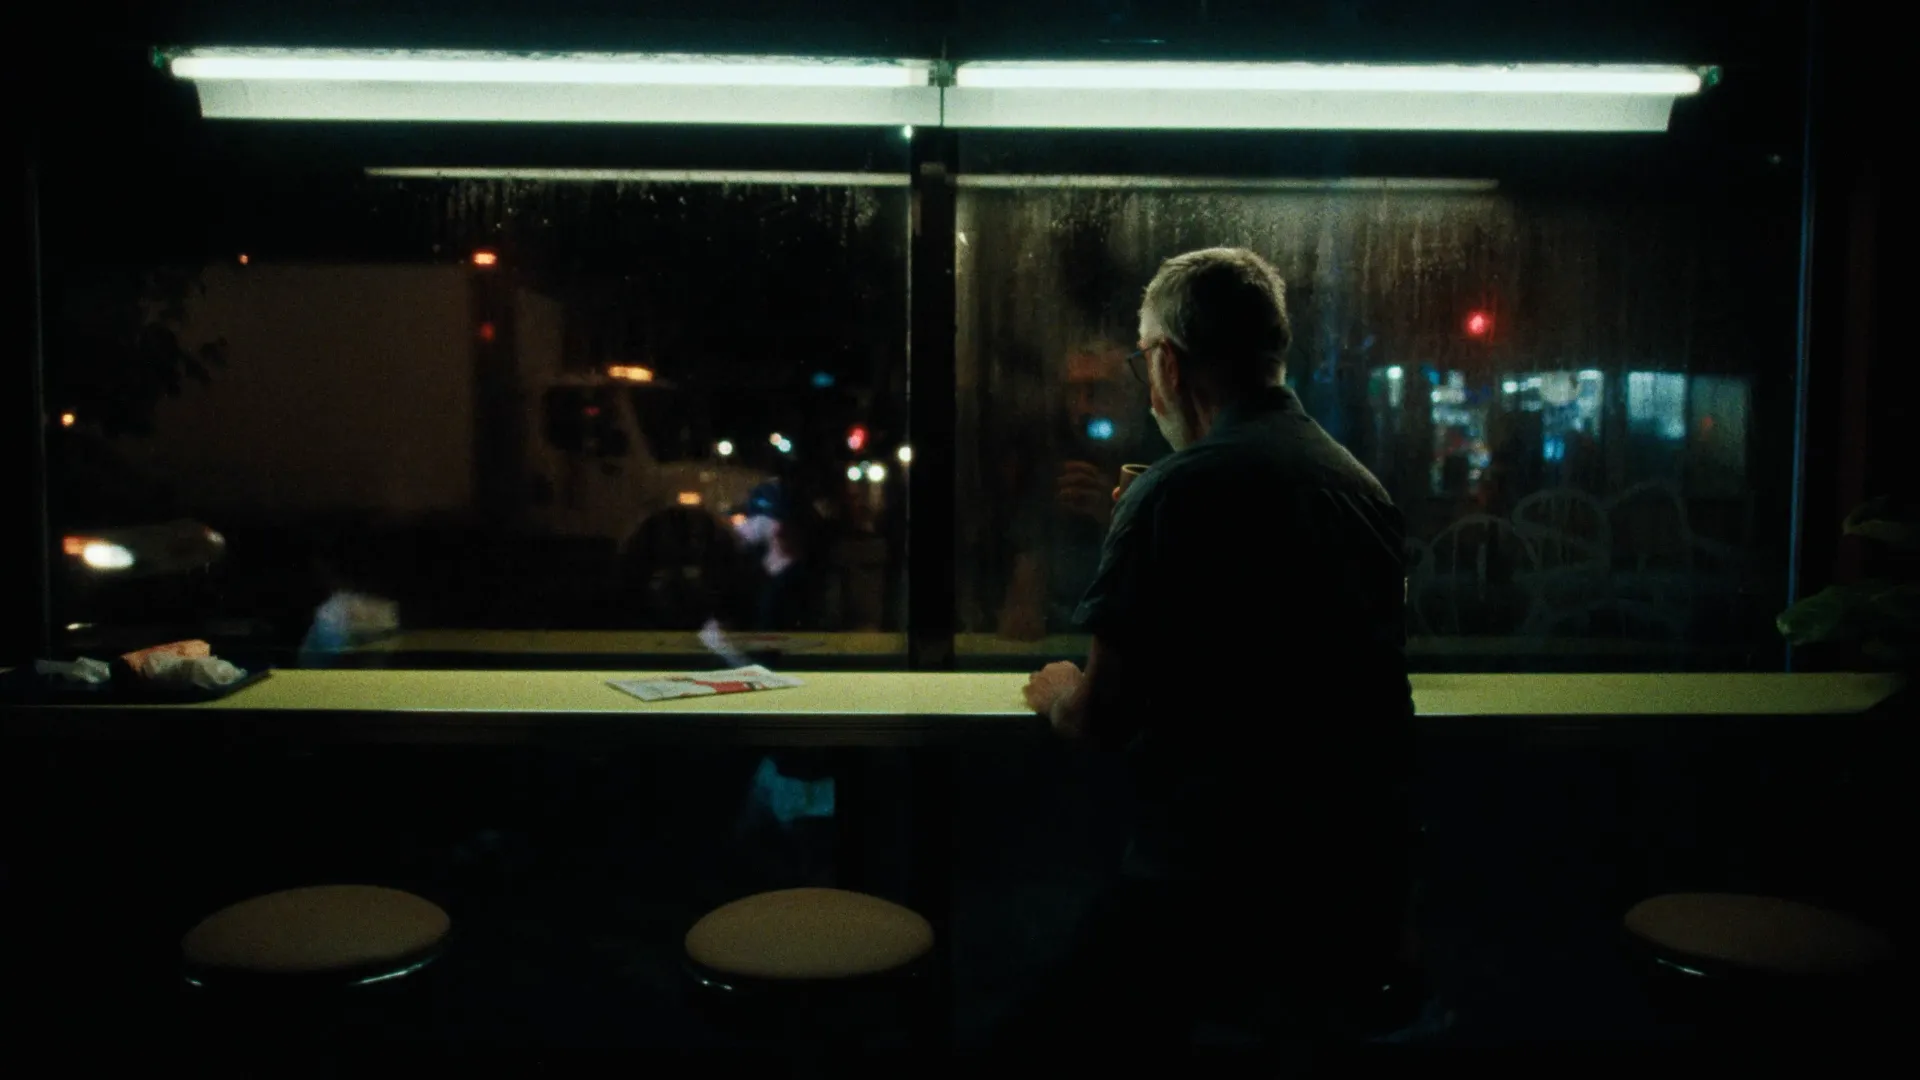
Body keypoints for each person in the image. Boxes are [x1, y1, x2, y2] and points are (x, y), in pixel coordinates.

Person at [1002, 248, 1426, 1048]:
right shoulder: (1359, 488)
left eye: (1137, 362)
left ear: (1165, 360)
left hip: (1203, 891)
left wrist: (1056, 688)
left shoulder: (1174, 490)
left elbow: (1100, 718)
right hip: (1344, 892)